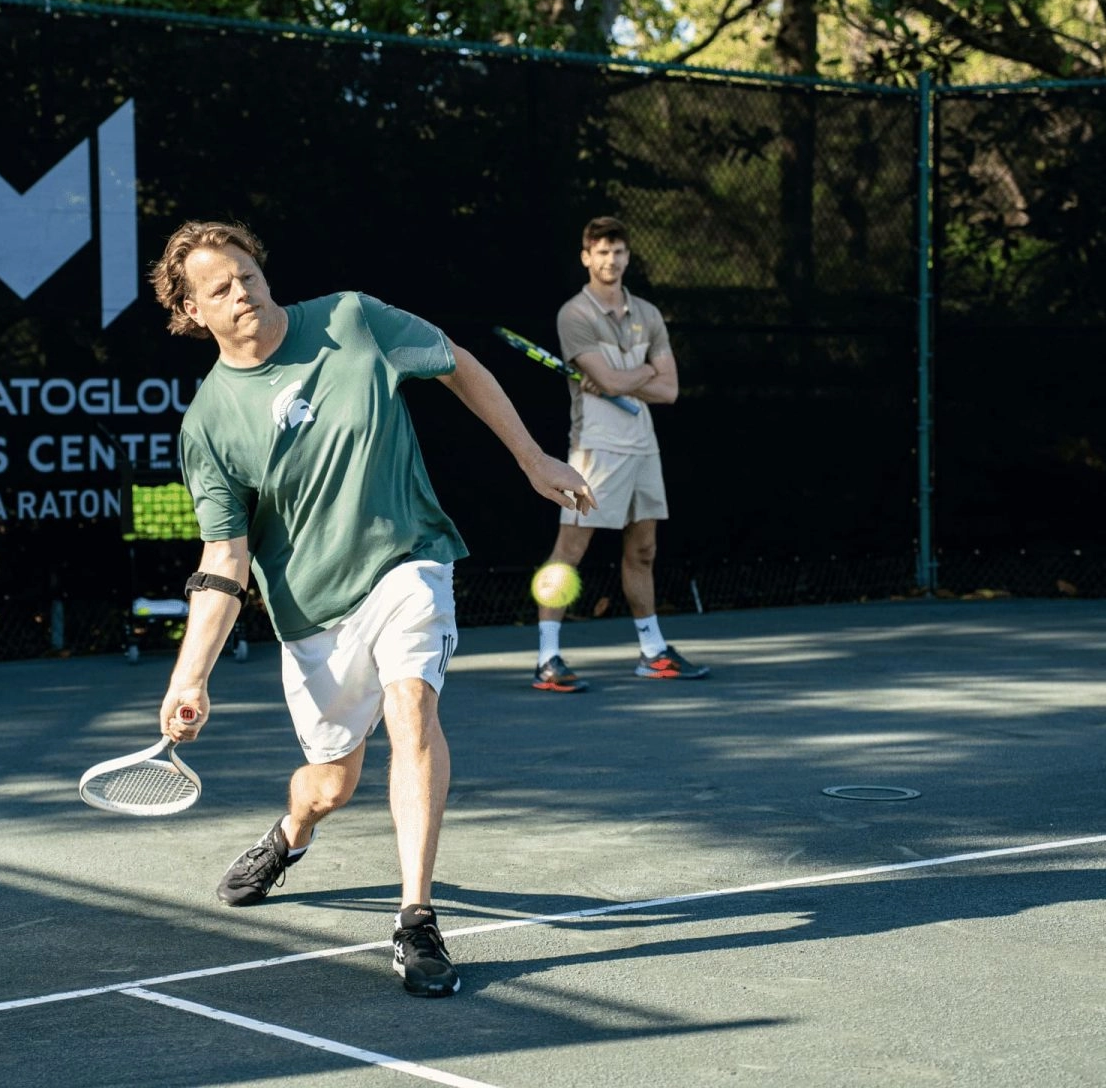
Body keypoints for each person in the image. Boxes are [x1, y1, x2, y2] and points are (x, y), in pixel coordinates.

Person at [146, 219, 593, 999]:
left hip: (407, 558)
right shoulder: (209, 424)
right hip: (313, 611)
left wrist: (532, 457)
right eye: (218, 288)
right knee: (330, 784)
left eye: (247, 273)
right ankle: (292, 833)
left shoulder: (350, 319)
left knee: (413, 708)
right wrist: (191, 677)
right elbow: (225, 561)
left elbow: (459, 365)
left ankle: (415, 916)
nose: (241, 291)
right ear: (192, 312)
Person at [529, 215, 708, 693]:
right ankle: (547, 657)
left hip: (643, 447)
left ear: (628, 257)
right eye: (602, 251)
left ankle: (653, 653)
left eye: (619, 251)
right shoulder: (575, 314)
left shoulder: (647, 313)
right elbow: (611, 383)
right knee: (570, 550)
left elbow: (670, 390)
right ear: (587, 257)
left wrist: (627, 377)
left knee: (644, 550)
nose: (611, 259)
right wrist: (641, 373)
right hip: (595, 448)